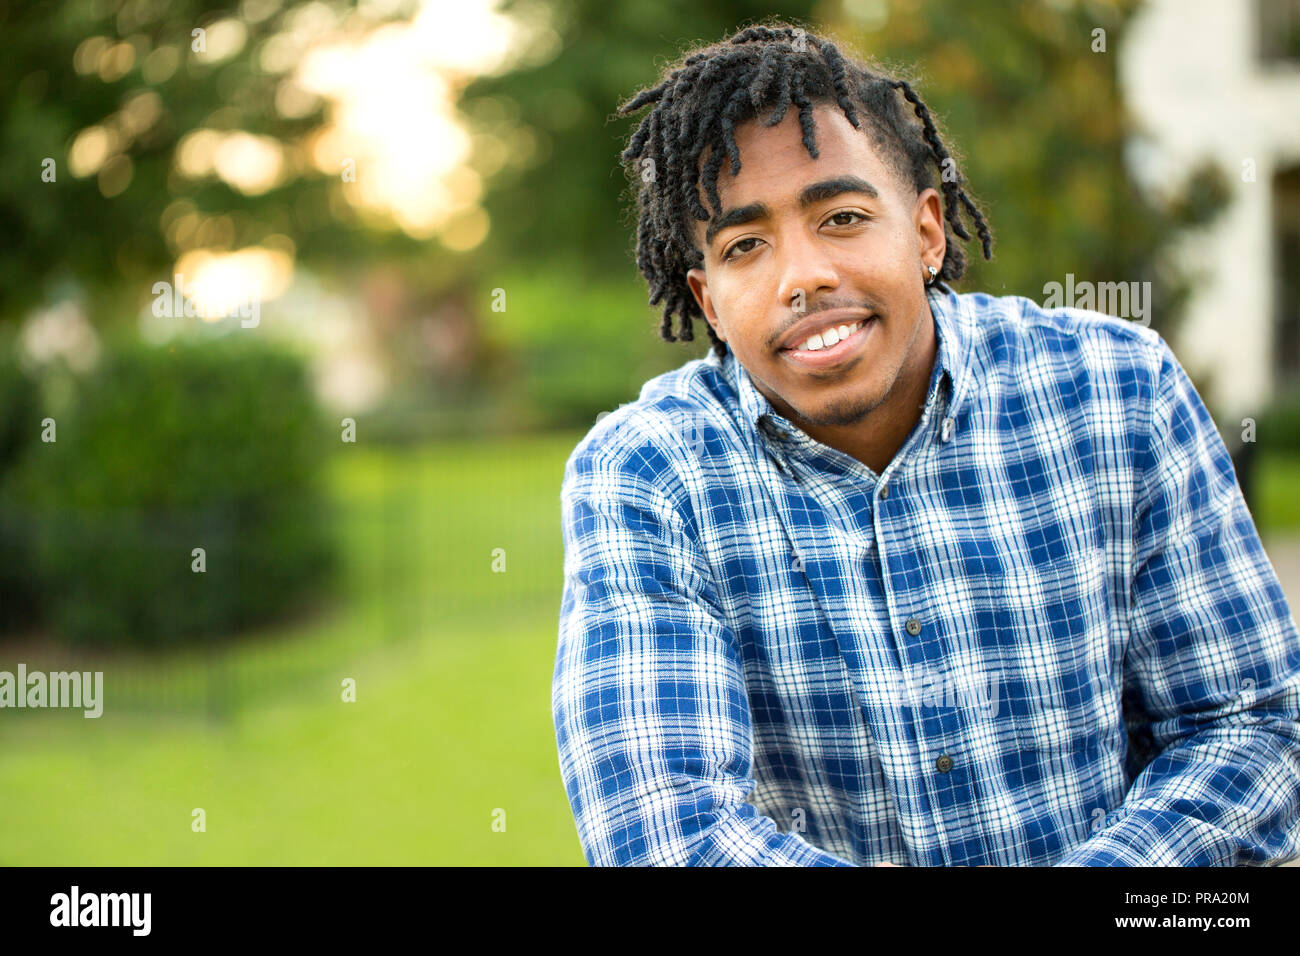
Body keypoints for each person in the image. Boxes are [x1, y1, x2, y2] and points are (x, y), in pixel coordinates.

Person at [552, 21, 1300, 866]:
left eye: (840, 216)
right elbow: (662, 825)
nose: (802, 277)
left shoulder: (1119, 391)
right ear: (711, 301)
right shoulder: (647, 475)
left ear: (927, 232)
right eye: (745, 245)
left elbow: (1249, 725)